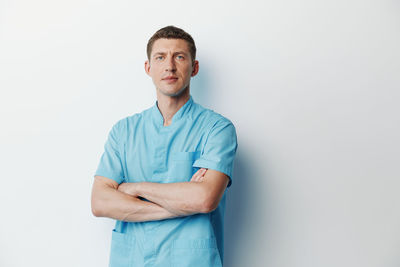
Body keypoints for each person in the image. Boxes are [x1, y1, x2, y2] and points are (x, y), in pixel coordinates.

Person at [91, 25, 238, 267]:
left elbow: (204, 199)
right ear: (148, 68)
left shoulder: (217, 129)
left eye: (179, 57)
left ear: (194, 68)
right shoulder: (124, 131)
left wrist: (133, 188)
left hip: (191, 260)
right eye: (160, 57)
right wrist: (179, 207)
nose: (169, 66)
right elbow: (100, 202)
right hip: (131, 259)